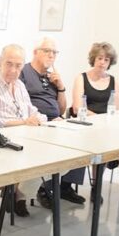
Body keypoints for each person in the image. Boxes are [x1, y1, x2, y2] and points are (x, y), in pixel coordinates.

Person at [20, 37, 87, 207]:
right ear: (36, 52)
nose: (51, 56)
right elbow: (20, 102)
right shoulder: (24, 72)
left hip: (56, 120)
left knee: (81, 142)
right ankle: (44, 189)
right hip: (35, 122)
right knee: (54, 145)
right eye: (47, 51)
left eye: (54, 53)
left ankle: (64, 186)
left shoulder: (51, 76)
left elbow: (61, 108)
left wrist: (61, 87)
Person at [0, 44, 45, 217]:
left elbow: (32, 110)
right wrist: (24, 122)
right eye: (9, 64)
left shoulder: (19, 85)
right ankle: (18, 194)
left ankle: (19, 192)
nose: (13, 69)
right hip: (4, 139)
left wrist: (40, 119)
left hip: (29, 135)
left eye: (18, 66)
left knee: (55, 162)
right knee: (39, 157)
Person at [71, 42, 119, 173]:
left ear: (110, 63)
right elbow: (77, 108)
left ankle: (99, 183)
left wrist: (107, 122)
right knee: (104, 137)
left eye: (106, 59)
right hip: (86, 124)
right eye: (99, 58)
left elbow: (116, 110)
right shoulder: (81, 78)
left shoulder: (113, 81)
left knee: (114, 135)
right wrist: (101, 119)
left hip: (107, 126)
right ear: (93, 59)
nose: (102, 62)